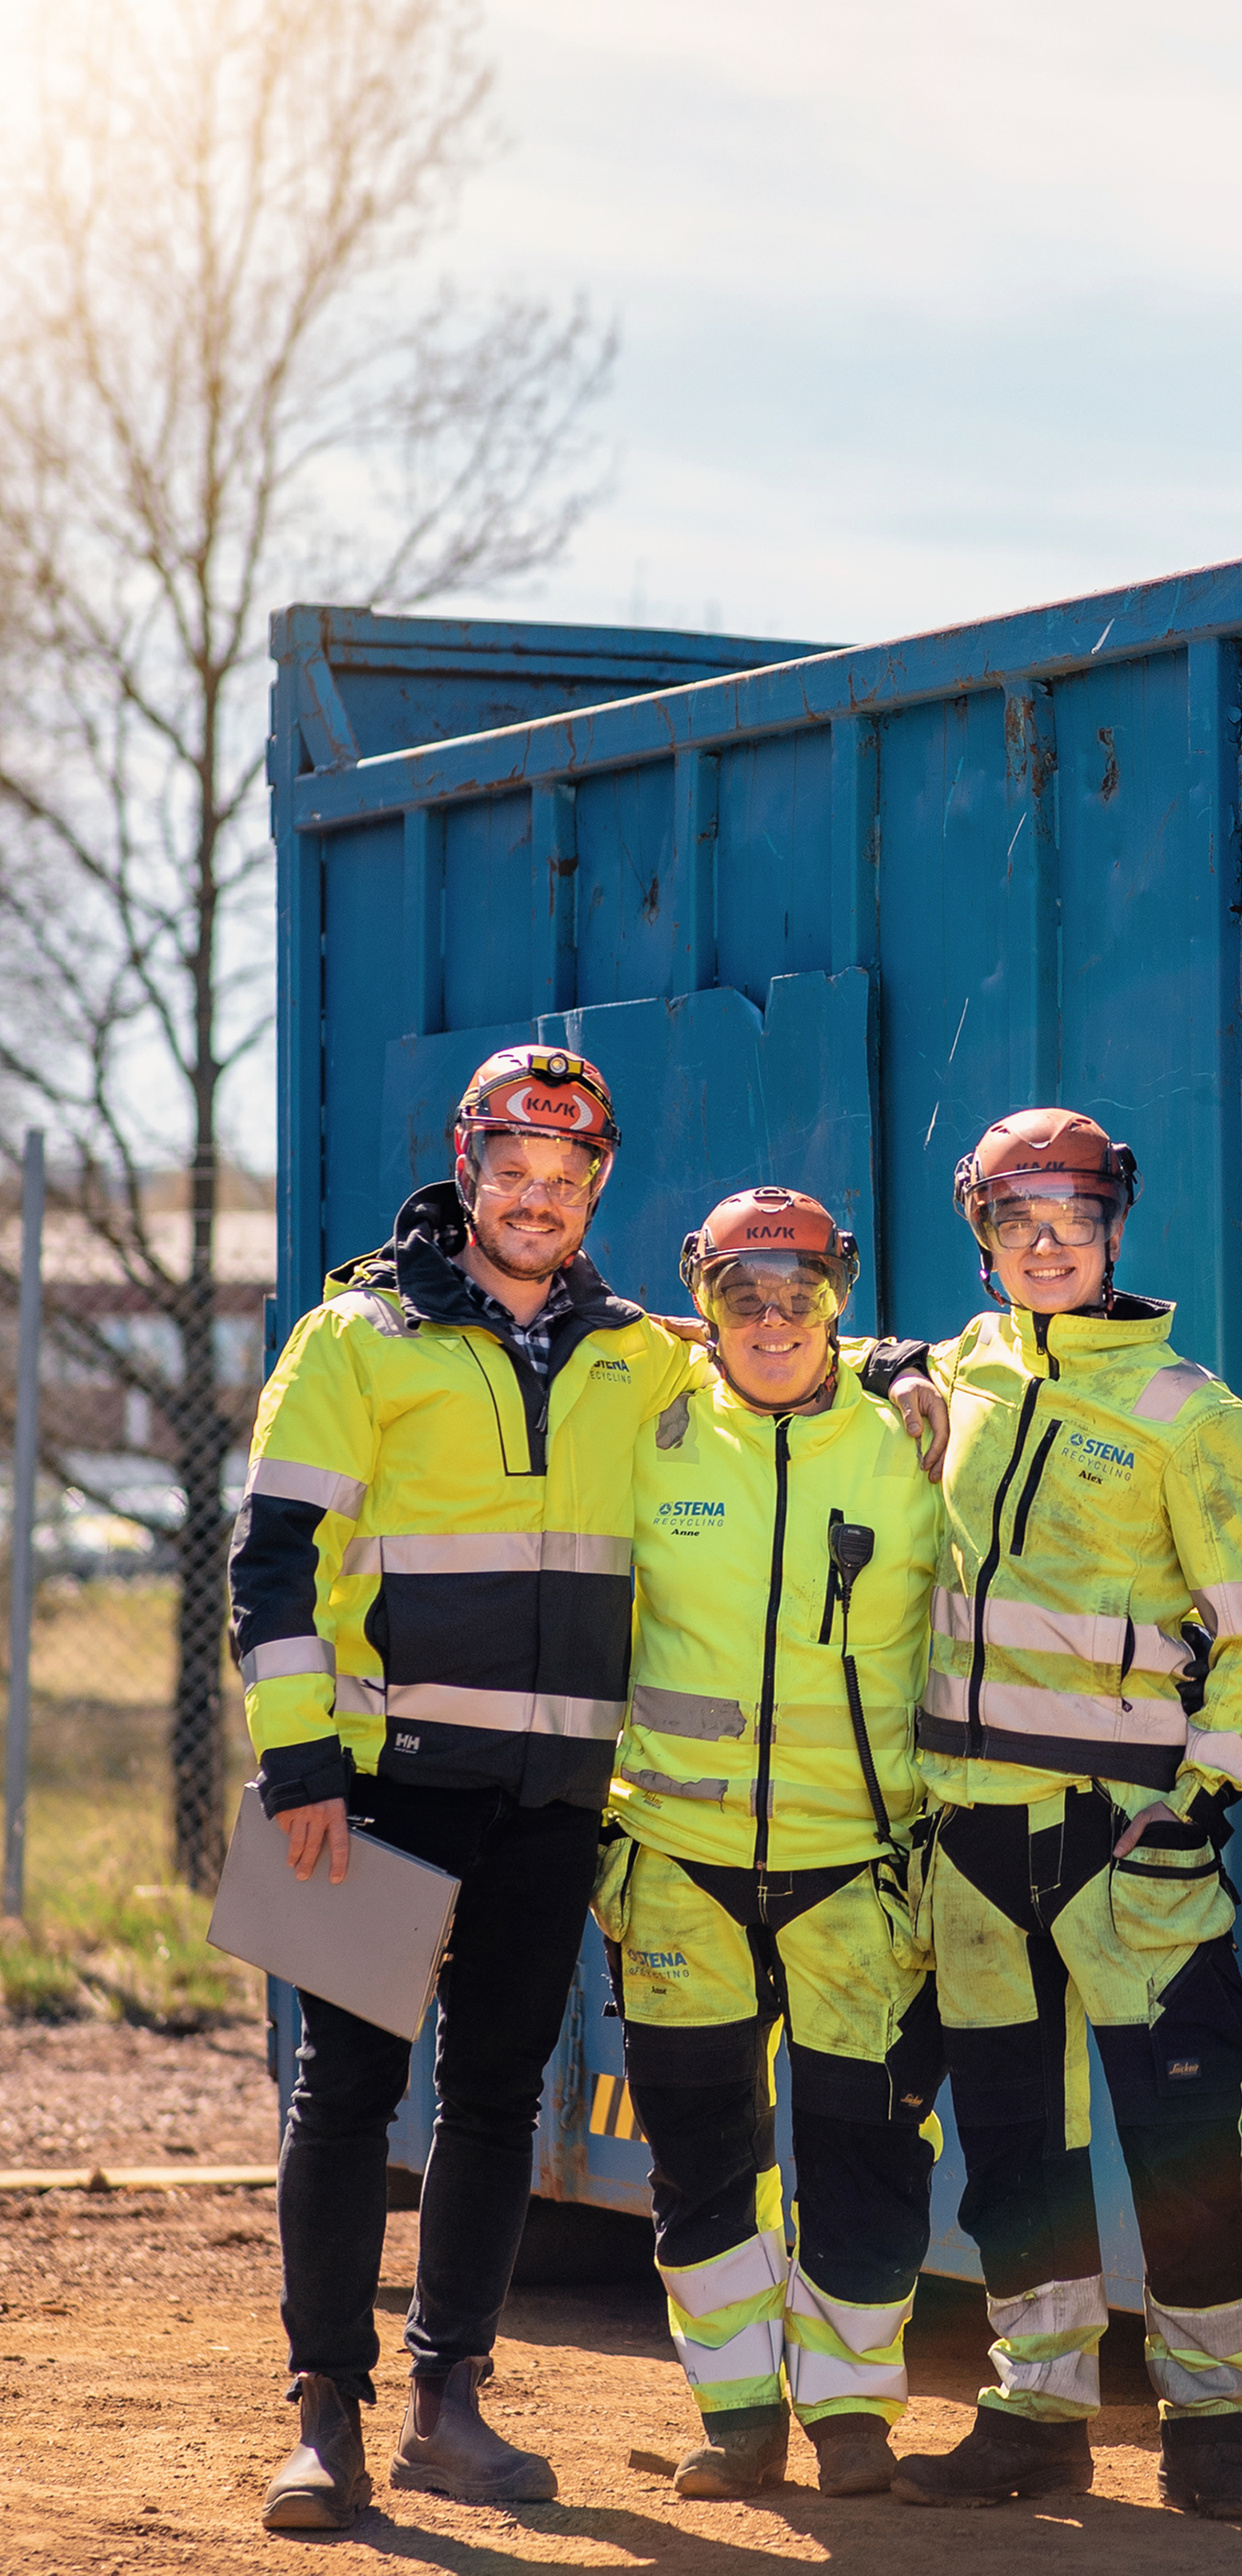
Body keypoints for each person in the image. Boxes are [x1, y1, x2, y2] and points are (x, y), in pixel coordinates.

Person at [231, 1046, 700, 2532]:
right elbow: (269, 1563)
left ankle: (449, 2404)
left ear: (597, 1184)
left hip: (556, 1795)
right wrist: (295, 1767)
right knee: (345, 2101)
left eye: (568, 1180)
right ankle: (325, 2421)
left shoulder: (642, 1352)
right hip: (362, 1786)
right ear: (467, 1165)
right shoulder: (350, 1337)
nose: (539, 1200)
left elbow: (783, 1377)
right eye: (515, 1171)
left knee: (496, 2099)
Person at [886, 1107, 1242, 2520]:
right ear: (982, 1234)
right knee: (1015, 2152)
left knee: (1179, 2150)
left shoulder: (1194, 1416)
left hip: (1130, 1848)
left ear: (1116, 1225)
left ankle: (1214, 2429)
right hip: (976, 1837)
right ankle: (1036, 2417)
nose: (1047, 1241)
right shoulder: (945, 1384)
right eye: (1016, 1218)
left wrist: (1207, 1796)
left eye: (1073, 1215)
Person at [597, 1186, 944, 2502]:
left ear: (843, 1298)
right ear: (702, 1300)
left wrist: (900, 1365)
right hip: (678, 1863)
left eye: (803, 1292)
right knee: (701, 2153)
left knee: (864, 2151)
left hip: (860, 1865)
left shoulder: (922, 1435)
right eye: (742, 1292)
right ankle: (736, 2412)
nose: (773, 1316)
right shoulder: (649, 1431)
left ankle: (852, 2413)